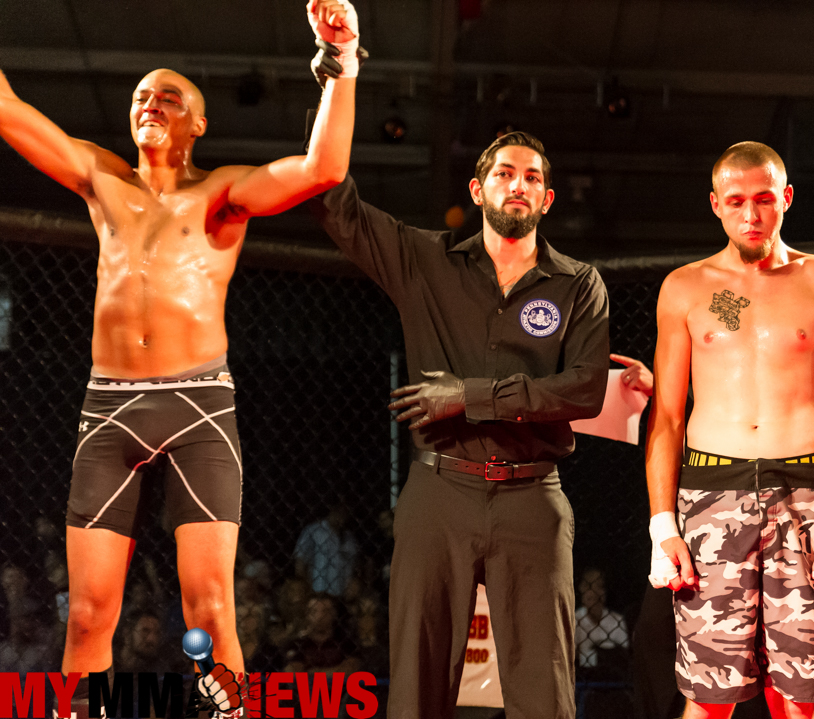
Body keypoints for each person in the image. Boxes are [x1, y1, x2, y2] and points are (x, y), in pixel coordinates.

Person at [0, 1, 358, 715]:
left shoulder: (220, 192)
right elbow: (8, 111)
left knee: (212, 607)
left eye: (170, 97)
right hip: (111, 404)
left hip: (198, 406)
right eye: (142, 95)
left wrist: (341, 62)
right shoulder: (102, 178)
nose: (151, 104)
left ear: (198, 124)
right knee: (88, 613)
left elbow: (323, 168)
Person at [311, 123, 610, 716]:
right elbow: (336, 207)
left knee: (544, 688)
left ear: (548, 198)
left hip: (533, 495)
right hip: (439, 489)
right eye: (504, 174)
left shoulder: (578, 283)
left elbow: (584, 390)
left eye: (532, 178)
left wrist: (468, 396)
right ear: (478, 190)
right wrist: (336, 91)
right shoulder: (426, 259)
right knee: (417, 682)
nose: (518, 185)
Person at [645, 141, 814, 719]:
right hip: (711, 494)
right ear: (715, 204)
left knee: (800, 699)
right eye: (737, 201)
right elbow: (667, 417)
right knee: (708, 697)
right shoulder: (685, 288)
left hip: (806, 493)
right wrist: (662, 525)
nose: (751, 214)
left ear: (786, 198)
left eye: (764, 199)